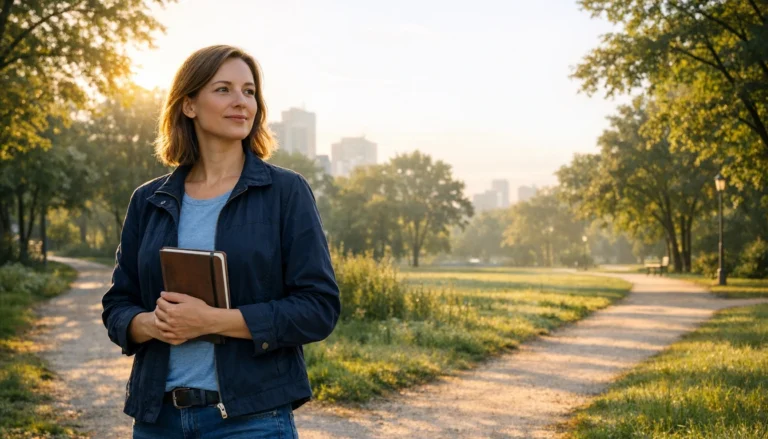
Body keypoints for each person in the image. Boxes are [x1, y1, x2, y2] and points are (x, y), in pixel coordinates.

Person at [101, 45, 340, 439]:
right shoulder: (149, 200)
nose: (241, 102)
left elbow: (318, 308)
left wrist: (213, 321)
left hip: (253, 419)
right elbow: (117, 306)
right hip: (157, 420)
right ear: (189, 105)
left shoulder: (286, 192)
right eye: (224, 89)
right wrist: (154, 324)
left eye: (249, 92)